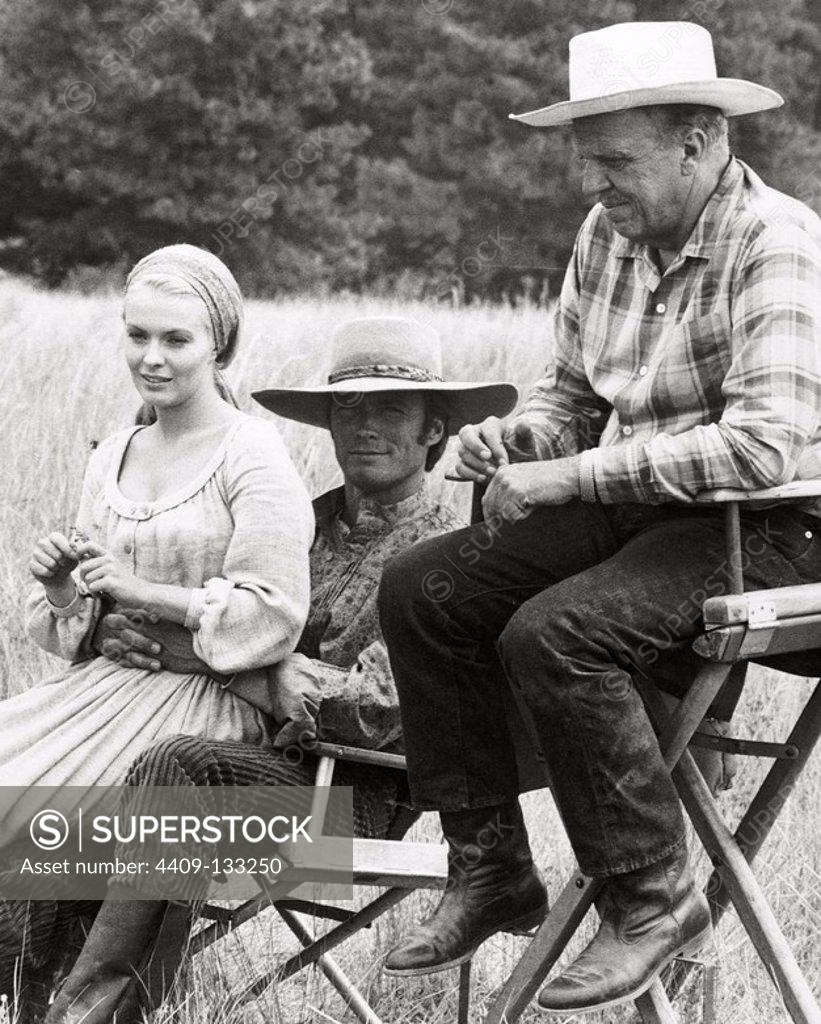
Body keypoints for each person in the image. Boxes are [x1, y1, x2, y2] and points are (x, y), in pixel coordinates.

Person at [377, 21, 821, 1015]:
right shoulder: (608, 234)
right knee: (421, 589)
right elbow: (570, 394)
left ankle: (651, 895)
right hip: (646, 512)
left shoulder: (775, 242)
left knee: (558, 632)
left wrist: (574, 476)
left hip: (778, 529)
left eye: (616, 163)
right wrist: (523, 442)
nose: (599, 187)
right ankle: (489, 868)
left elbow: (759, 448)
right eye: (591, 165)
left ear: (699, 142)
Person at [39, 315, 519, 1024]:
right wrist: (115, 629)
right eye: (346, 409)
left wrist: (235, 666)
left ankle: (86, 1014)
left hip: (350, 807)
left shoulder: (455, 550)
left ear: (433, 431)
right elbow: (197, 612)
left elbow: (385, 710)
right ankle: (27, 993)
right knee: (46, 803)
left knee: (178, 770)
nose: (364, 428)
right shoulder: (296, 515)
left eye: (391, 410)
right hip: (239, 765)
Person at [0, 244, 314, 1014]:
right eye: (138, 336)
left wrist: (150, 594)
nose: (153, 357)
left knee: (35, 826)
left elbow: (274, 613)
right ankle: (21, 993)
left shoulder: (253, 454)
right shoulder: (113, 453)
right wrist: (63, 590)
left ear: (219, 346)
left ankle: (78, 997)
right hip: (101, 691)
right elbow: (81, 614)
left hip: (203, 707)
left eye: (176, 341)